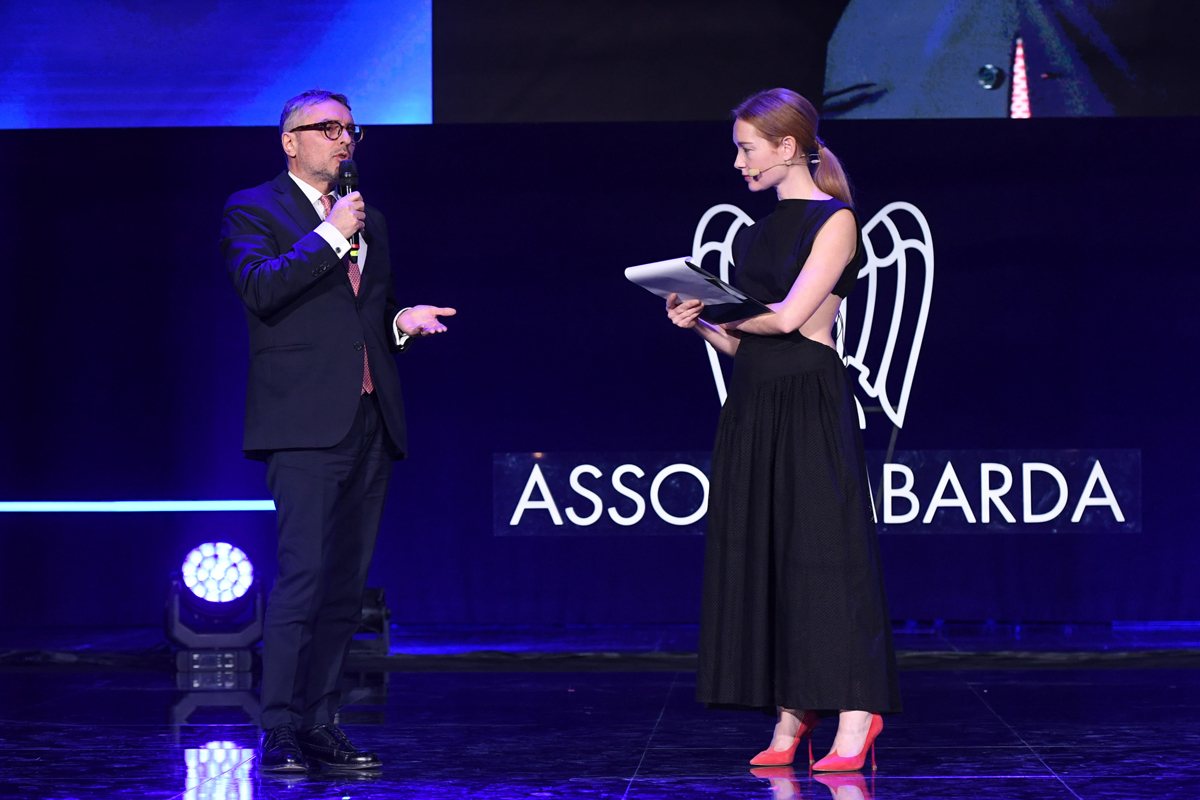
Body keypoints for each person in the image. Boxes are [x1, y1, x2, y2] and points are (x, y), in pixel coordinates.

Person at [220, 89, 455, 772]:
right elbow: (261, 288)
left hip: (368, 418)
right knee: (304, 576)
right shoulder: (253, 208)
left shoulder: (368, 218)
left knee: (346, 586)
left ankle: (322, 722)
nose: (343, 139)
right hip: (302, 423)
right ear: (289, 140)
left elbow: (367, 316)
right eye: (327, 128)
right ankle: (279, 728)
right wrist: (328, 234)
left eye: (350, 129)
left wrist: (401, 324)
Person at [666, 88, 901, 771]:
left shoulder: (836, 220)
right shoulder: (754, 233)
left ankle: (856, 711)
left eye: (748, 149)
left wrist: (722, 309)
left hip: (808, 398)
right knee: (768, 552)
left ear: (787, 147)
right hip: (755, 399)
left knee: (825, 555)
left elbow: (792, 319)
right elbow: (748, 342)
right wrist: (700, 324)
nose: (739, 163)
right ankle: (792, 709)